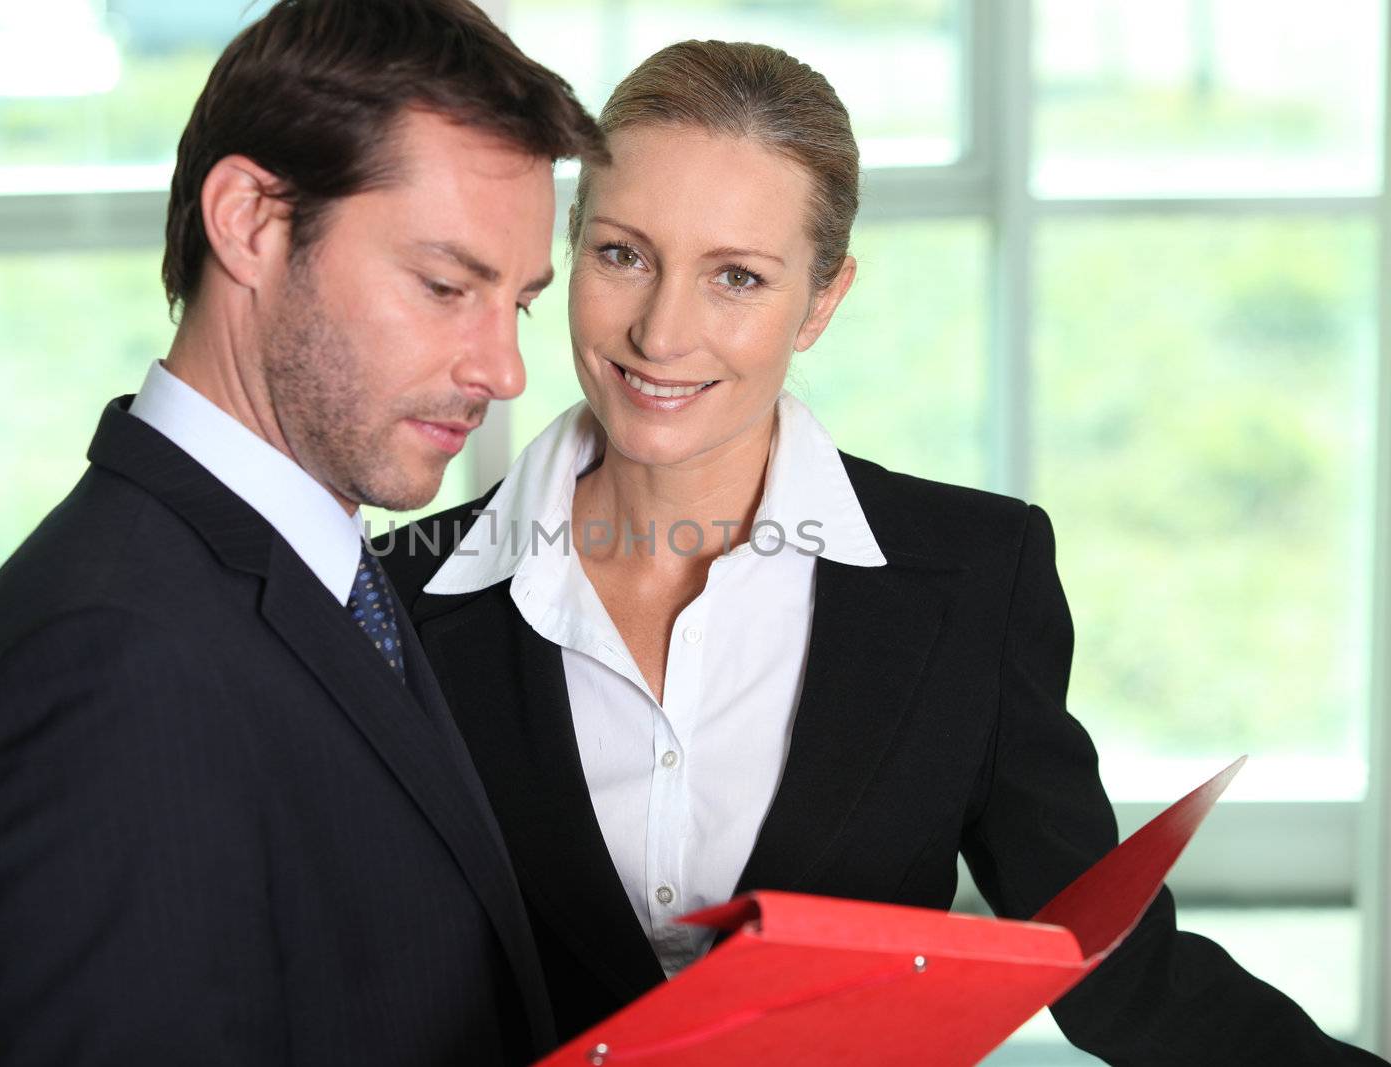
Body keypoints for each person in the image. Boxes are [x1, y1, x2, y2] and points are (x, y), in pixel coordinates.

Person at [376, 39, 1385, 1064]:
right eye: (623, 255)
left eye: (737, 276)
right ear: (570, 246)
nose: (662, 330)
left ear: (821, 299)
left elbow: (1116, 974)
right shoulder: (394, 600)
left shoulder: (976, 580)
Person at [0, 2, 604, 1064]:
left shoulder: (324, 572)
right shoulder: (109, 667)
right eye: (444, 285)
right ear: (248, 221)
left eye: (515, 303)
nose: (502, 369)